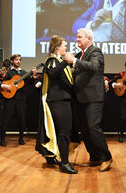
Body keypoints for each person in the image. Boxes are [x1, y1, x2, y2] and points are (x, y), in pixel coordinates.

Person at [64, 28, 113, 172]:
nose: (77, 39)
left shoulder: (95, 51)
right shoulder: (81, 54)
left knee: (93, 127)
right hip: (81, 97)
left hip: (94, 98)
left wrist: (74, 60)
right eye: (77, 37)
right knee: (85, 130)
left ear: (89, 39)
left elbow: (94, 67)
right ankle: (95, 156)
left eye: (80, 37)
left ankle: (106, 157)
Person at [36, 35, 78, 174]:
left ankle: (52, 158)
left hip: (62, 100)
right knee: (64, 132)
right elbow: (53, 74)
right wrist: (66, 62)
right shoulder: (52, 61)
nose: (66, 48)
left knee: (61, 131)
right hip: (58, 101)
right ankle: (64, 163)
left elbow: (66, 82)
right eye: (64, 45)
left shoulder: (58, 61)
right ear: (57, 47)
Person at [0, 54, 39, 146]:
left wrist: (34, 75)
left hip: (21, 99)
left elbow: (30, 82)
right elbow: (2, 82)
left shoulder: (24, 72)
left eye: (20, 60)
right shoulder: (8, 72)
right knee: (7, 119)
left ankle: (21, 138)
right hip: (10, 98)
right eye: (16, 60)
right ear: (12, 61)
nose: (18, 61)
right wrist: (8, 86)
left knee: (22, 119)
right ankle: (2, 139)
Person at [111, 58, 126, 143]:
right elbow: (112, 81)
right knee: (122, 117)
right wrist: (116, 84)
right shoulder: (122, 74)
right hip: (124, 98)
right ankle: (121, 135)